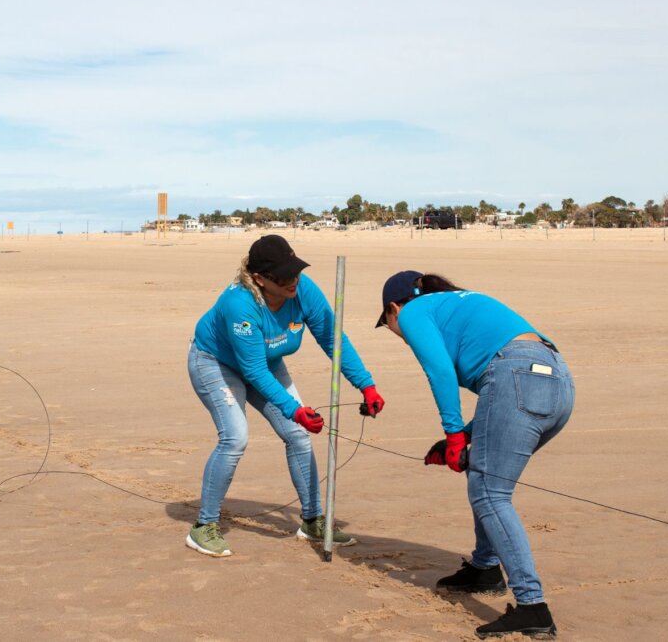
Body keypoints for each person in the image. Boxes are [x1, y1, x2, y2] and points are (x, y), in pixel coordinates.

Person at [376, 270, 574, 639]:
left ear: (393, 309)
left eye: (388, 325)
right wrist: (465, 436)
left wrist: (453, 433)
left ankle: (533, 607)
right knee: (482, 474)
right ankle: (485, 568)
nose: (397, 333)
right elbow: (504, 390)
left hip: (518, 375)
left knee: (490, 493)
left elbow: (439, 372)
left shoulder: (414, 312)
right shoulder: (458, 303)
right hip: (558, 381)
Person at [186, 235, 385, 557]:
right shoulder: (239, 304)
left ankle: (312, 520)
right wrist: (295, 409)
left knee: (298, 436)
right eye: (283, 276)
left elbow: (332, 338)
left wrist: (366, 384)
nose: (293, 280)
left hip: (266, 362)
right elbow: (252, 372)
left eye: (295, 271)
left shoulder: (303, 290)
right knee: (235, 438)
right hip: (216, 363)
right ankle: (203, 526)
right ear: (260, 279)